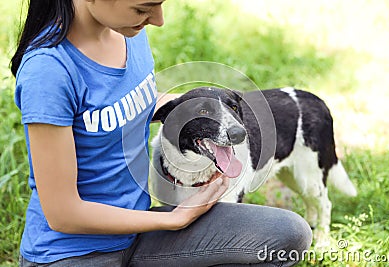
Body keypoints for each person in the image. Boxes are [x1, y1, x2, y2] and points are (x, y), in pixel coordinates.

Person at [11, 0, 312, 266]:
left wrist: (211, 115)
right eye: (143, 8)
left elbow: (131, 102)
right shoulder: (49, 71)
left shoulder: (128, 32)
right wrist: (172, 218)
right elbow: (63, 213)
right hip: (73, 253)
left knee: (288, 234)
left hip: (140, 235)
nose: (158, 19)